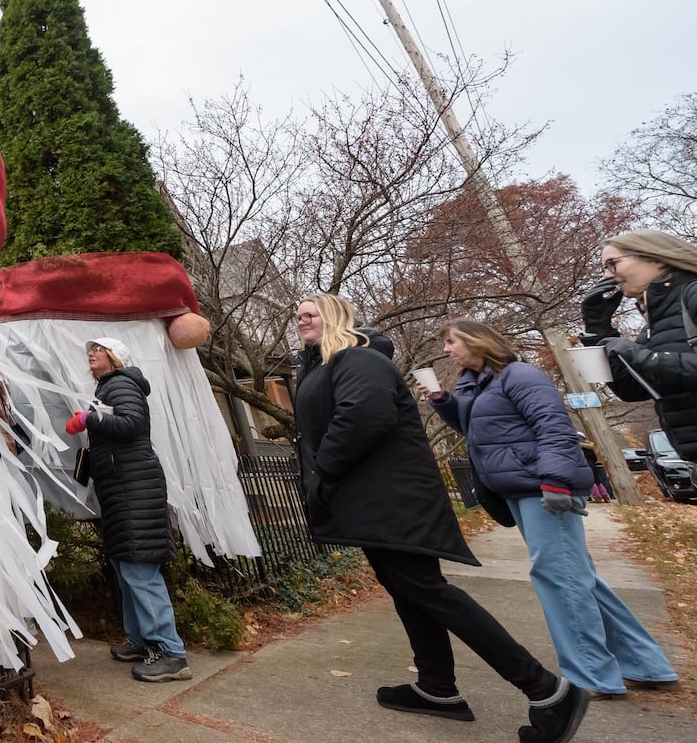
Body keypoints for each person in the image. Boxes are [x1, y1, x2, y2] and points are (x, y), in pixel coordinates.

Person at [292, 294, 589, 743]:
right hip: (368, 498)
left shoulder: (358, 358)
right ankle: (437, 687)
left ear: (336, 316)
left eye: (311, 313)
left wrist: (323, 469)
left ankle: (547, 690)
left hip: (391, 498)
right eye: (298, 316)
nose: (302, 320)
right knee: (409, 590)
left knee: (427, 590)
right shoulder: (324, 365)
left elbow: (364, 416)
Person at [427, 319, 678, 699]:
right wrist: (443, 401)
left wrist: (555, 482)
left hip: (542, 488)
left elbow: (553, 427)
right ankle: (645, 664)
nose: (446, 350)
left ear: (477, 341)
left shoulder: (520, 375)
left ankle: (591, 677)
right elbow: (476, 431)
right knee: (576, 576)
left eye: (451, 342)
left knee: (560, 578)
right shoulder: (476, 384)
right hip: (518, 489)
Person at [65, 337, 190, 683]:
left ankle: (171, 653)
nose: (91, 354)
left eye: (98, 349)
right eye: (89, 350)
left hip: (135, 489)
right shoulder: (109, 387)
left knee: (139, 570)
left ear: (115, 357)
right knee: (126, 567)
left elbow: (131, 423)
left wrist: (89, 419)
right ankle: (140, 642)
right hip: (123, 489)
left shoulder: (121, 383)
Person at [580, 229, 697, 463]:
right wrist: (596, 331)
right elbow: (630, 391)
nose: (607, 276)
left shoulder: (693, 293)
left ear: (656, 258)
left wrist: (644, 358)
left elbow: (644, 361)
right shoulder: (654, 322)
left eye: (612, 264)